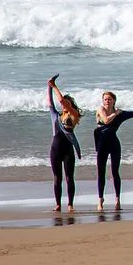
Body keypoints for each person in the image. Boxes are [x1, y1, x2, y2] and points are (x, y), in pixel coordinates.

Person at [46, 74, 83, 212]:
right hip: (55, 149)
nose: (64, 104)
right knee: (57, 178)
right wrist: (48, 86)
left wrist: (54, 85)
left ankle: (70, 204)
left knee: (69, 177)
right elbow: (50, 101)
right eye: (64, 103)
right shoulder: (56, 115)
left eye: (67, 103)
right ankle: (58, 204)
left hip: (67, 149)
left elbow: (61, 100)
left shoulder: (74, 115)